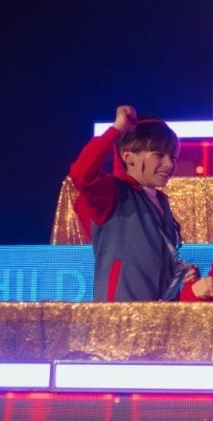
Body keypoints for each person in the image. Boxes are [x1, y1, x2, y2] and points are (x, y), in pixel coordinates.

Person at [69, 105, 195, 302]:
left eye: (173, 157)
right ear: (128, 156)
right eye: (159, 155)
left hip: (160, 315)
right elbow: (81, 174)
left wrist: (179, 274)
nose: (170, 164)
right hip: (118, 315)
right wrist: (117, 129)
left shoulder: (162, 202)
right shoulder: (114, 194)